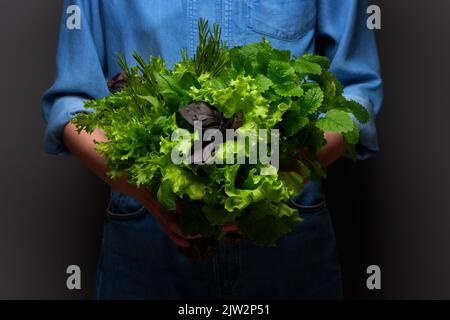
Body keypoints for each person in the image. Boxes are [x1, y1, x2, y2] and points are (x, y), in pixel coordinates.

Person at [42, 0, 382, 299]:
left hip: (285, 236)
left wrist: (268, 181)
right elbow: (74, 105)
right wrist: (145, 190)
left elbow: (354, 94)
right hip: (146, 239)